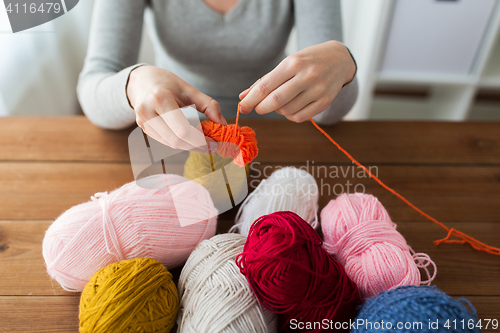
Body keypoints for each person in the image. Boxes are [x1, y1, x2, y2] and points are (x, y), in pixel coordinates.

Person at [77, 0, 358, 151]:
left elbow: (327, 114)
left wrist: (344, 67)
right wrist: (134, 83)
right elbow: (93, 88)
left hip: (280, 139)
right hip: (174, 137)